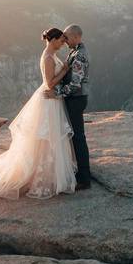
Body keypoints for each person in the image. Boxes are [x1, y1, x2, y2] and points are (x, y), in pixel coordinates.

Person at [0, 27, 78, 206]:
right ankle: (43, 174)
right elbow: (49, 83)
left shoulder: (50, 54)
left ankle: (49, 172)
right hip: (48, 99)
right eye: (61, 40)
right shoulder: (48, 57)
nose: (63, 43)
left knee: (48, 137)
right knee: (46, 137)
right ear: (52, 40)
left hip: (51, 100)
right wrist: (65, 70)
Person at [43, 24, 91, 189]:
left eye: (67, 38)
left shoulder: (79, 56)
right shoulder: (75, 51)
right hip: (73, 98)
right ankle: (80, 172)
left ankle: (84, 179)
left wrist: (57, 93)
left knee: (78, 137)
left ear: (76, 37)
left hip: (76, 99)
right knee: (74, 136)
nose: (65, 41)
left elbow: (76, 84)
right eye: (63, 37)